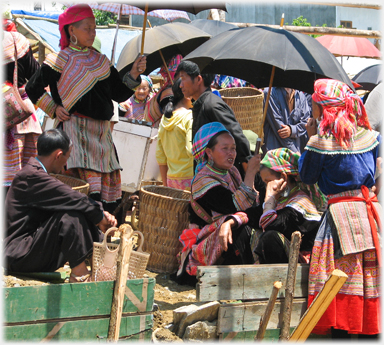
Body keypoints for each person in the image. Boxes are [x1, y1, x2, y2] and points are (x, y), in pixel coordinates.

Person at [25, 4, 146, 215]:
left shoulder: (101, 61)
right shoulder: (59, 60)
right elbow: (32, 88)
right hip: (75, 132)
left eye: (94, 28)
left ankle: (97, 239)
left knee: (106, 198)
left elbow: (118, 94)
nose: (92, 33)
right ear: (71, 30)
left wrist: (134, 73)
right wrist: (53, 108)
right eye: (87, 28)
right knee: (83, 193)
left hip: (102, 136)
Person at [298, 79, 381, 338]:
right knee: (368, 281)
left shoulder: (321, 141)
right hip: (368, 216)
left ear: (322, 108)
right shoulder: (368, 136)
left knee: (336, 283)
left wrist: (310, 137)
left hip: (338, 219)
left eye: (314, 104)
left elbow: (307, 175)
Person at [4, 129, 117, 283]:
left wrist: (101, 214)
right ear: (58, 155)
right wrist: (100, 216)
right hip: (18, 254)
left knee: (76, 209)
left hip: (29, 250)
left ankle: (104, 261)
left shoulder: (35, 174)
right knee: (70, 217)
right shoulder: (31, 176)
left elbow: (74, 199)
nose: (66, 164)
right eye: (67, 157)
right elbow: (74, 197)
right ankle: (79, 274)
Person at [174, 122, 262, 286]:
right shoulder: (203, 181)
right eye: (225, 148)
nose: (231, 153)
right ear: (209, 152)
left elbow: (249, 203)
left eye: (233, 148)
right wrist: (250, 173)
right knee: (238, 227)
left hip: (226, 229)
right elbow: (235, 206)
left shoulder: (231, 171)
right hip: (206, 240)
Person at [176, 60, 252, 179]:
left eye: (183, 78)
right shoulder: (201, 104)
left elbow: (238, 138)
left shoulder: (212, 105)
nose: (180, 84)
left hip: (222, 180)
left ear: (198, 79)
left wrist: (250, 177)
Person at [249, 148, 324, 264]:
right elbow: (254, 214)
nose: (266, 187)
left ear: (283, 178)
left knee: (270, 237)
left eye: (268, 181)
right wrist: (231, 222)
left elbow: (270, 224)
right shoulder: (281, 200)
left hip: (301, 264)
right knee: (245, 230)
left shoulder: (300, 202)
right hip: (285, 260)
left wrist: (270, 197)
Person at [3, 28, 42, 191]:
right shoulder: (15, 41)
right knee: (26, 182)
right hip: (23, 117)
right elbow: (37, 77)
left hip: (12, 125)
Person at [156, 78, 194, 191]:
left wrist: (165, 185)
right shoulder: (189, 116)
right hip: (191, 178)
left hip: (172, 180)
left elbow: (160, 155)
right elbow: (191, 150)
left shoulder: (165, 118)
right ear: (187, 95)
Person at [262, 87, 311, 154]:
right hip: (275, 152)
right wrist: (294, 151)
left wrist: (292, 130)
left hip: (296, 149)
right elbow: (279, 128)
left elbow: (305, 122)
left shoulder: (300, 96)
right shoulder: (269, 92)